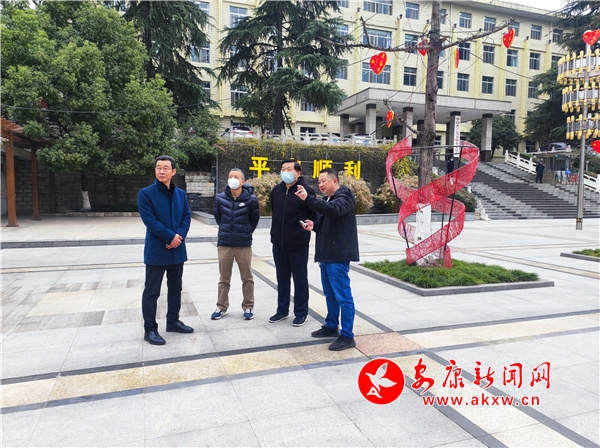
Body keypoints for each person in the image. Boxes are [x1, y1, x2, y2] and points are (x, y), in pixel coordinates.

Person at [295, 168, 359, 351]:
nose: (321, 184)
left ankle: (347, 335)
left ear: (335, 181)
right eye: (319, 181)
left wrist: (308, 198)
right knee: (330, 294)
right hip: (327, 255)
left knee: (343, 296)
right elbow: (330, 220)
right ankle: (331, 325)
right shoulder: (328, 200)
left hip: (338, 256)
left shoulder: (344, 197)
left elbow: (334, 211)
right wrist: (314, 225)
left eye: (324, 181)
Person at [138, 155, 193, 346]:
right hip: (157, 250)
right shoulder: (146, 194)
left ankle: (173, 321)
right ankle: (150, 329)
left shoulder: (180, 194)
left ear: (173, 171)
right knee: (152, 291)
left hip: (177, 250)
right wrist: (170, 237)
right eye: (158, 168)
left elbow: (186, 217)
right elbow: (149, 220)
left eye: (165, 168)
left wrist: (178, 237)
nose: (161, 171)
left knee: (176, 288)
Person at [268, 159, 316, 327]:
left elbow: (313, 215)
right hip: (278, 243)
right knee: (282, 279)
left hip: (298, 244)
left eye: (289, 169)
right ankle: (282, 310)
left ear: (298, 173)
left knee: (300, 279)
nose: (285, 172)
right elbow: (274, 211)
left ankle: (301, 312)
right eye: (283, 169)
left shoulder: (306, 191)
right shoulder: (276, 191)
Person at [212, 168, 260, 320]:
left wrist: (245, 232)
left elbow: (254, 220)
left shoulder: (251, 199)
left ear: (243, 181)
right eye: (230, 176)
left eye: (236, 177)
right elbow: (218, 218)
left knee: (247, 278)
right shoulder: (220, 198)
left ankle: (248, 306)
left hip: (243, 244)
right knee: (224, 278)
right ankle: (221, 306)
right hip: (225, 244)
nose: (232, 179)